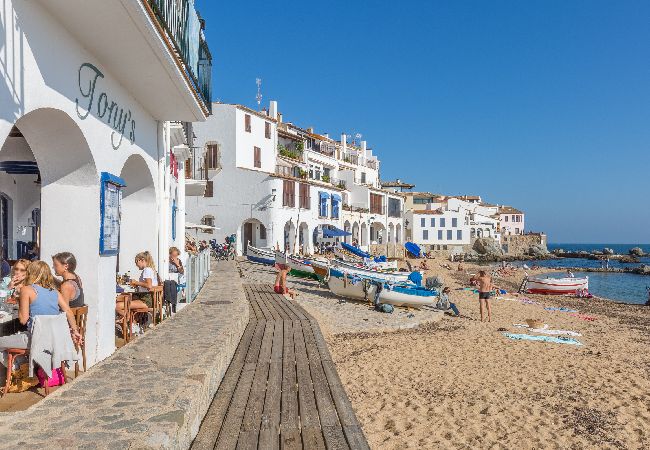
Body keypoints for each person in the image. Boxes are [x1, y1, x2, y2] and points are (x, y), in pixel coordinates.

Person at [0, 261, 82, 355]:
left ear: (30, 273)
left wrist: (21, 301)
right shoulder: (55, 292)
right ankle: (21, 366)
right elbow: (68, 311)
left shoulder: (26, 290)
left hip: (35, 339)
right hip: (54, 340)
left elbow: (23, 320)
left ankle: (17, 366)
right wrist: (75, 331)